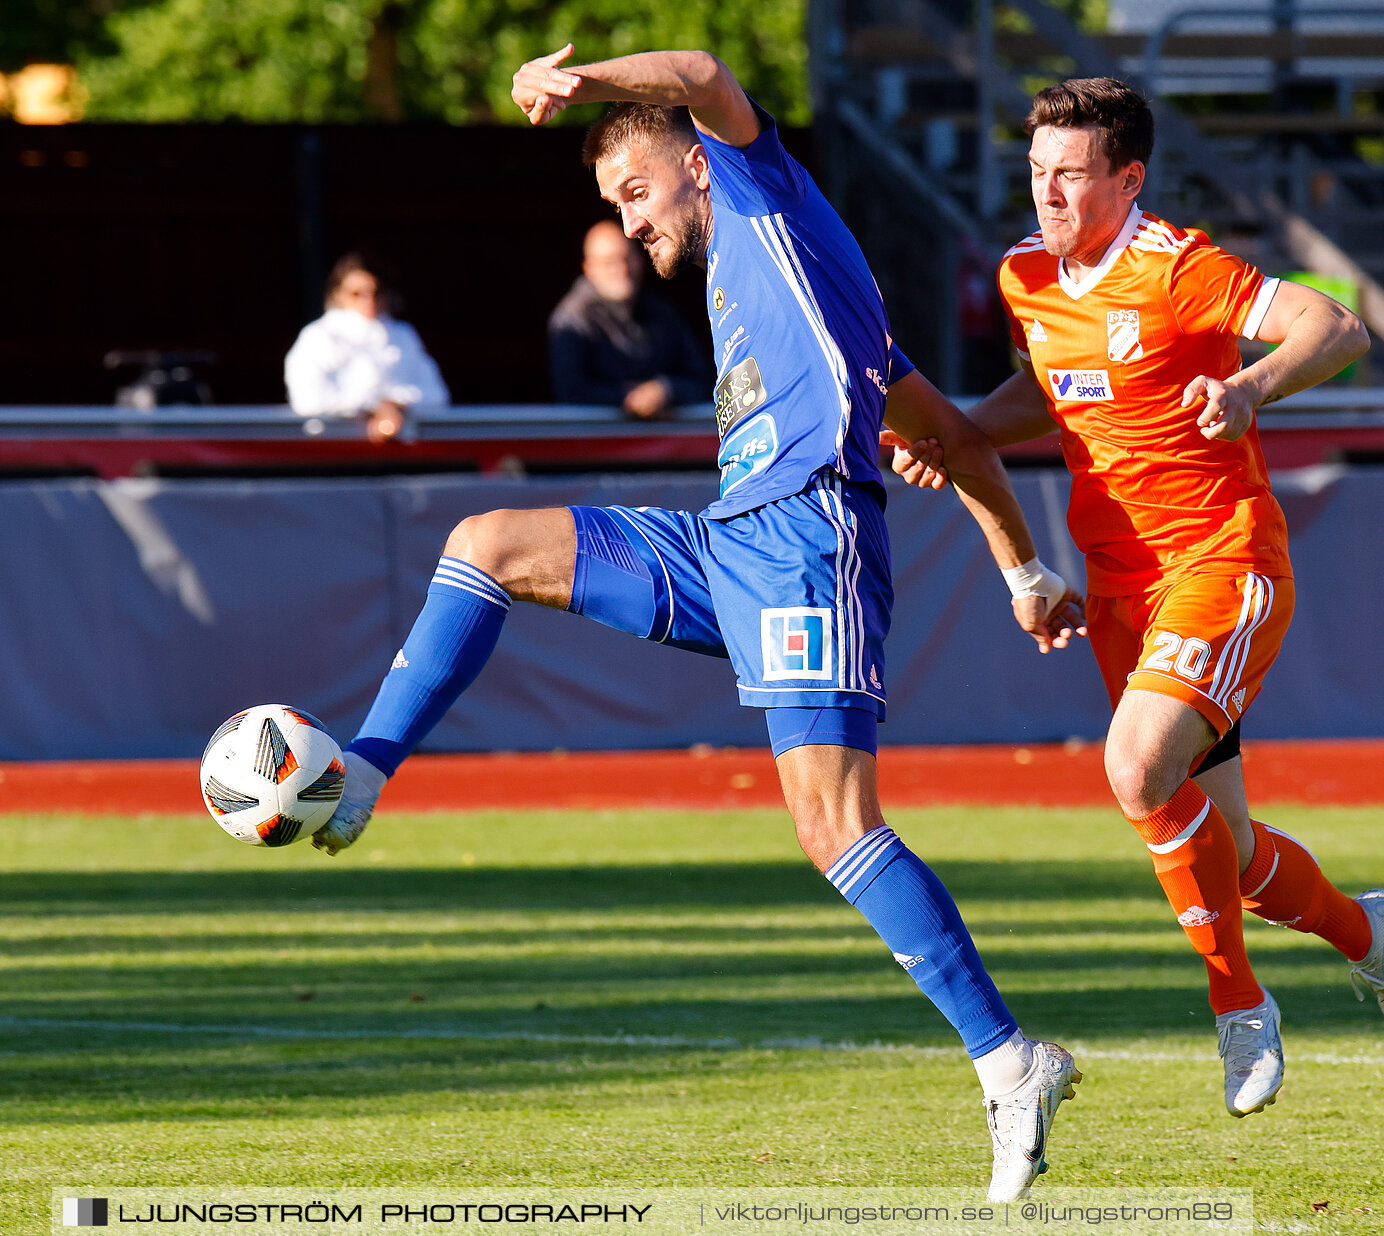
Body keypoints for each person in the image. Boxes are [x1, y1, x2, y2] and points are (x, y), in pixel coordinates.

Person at [309, 45, 1085, 1201]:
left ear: (700, 168)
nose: (626, 225)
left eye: (633, 192)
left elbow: (707, 69)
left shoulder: (765, 189)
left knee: (831, 824)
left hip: (810, 542)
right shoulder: (778, 284)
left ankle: (1010, 1060)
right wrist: (1025, 571)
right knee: (484, 546)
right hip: (731, 540)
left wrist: (591, 87)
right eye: (611, 205)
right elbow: (957, 438)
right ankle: (363, 773)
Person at [892, 78, 1384, 1118]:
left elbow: (1337, 325)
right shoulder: (1024, 275)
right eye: (1036, 170)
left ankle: (1240, 1010)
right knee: (1230, 853)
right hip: (1118, 583)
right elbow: (1050, 394)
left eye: (1069, 173)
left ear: (1126, 177)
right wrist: (951, 437)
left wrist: (1250, 388)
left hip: (1222, 561)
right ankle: (1368, 934)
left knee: (1135, 771)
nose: (1045, 191)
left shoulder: (1178, 266)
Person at [548, 220, 714, 417]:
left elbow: (705, 381)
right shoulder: (571, 321)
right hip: (597, 443)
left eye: (627, 258)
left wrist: (665, 390)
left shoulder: (662, 313)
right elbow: (570, 395)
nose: (622, 270)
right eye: (609, 262)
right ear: (589, 268)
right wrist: (628, 398)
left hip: (665, 442)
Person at [284, 253, 449, 442]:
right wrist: (373, 407)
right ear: (338, 294)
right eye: (357, 293)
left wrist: (396, 404)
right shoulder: (317, 337)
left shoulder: (403, 335)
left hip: (398, 450)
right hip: (332, 447)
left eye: (376, 292)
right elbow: (308, 401)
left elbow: (436, 394)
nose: (368, 300)